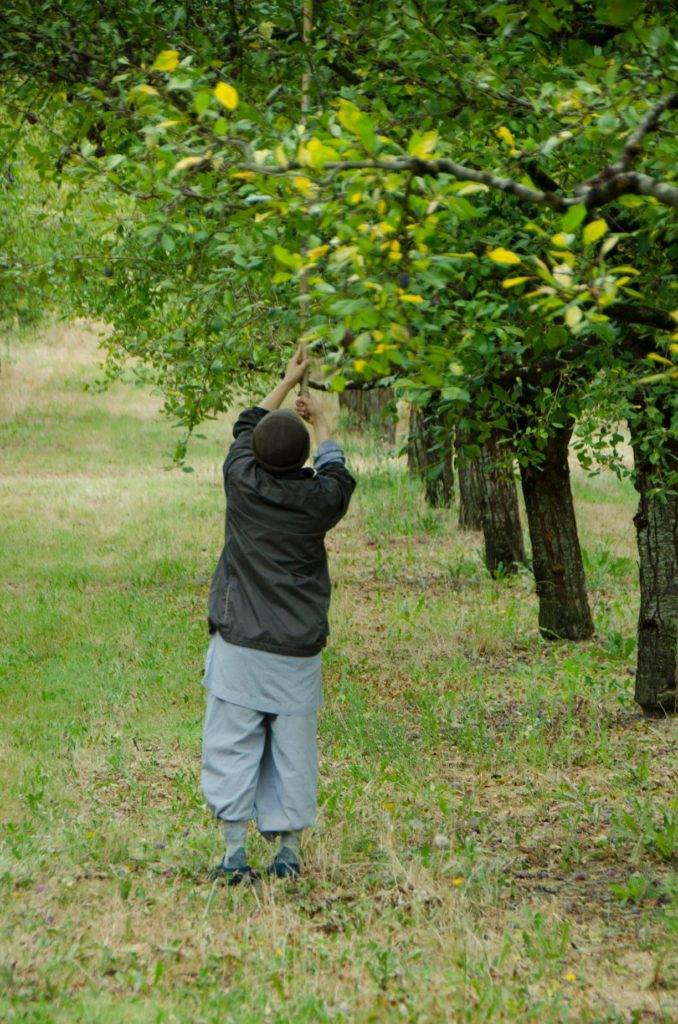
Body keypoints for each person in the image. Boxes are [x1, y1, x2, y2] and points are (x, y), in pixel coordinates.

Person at [201, 348, 356, 883]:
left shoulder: (241, 480)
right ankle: (288, 854)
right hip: (296, 650)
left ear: (257, 454)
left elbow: (246, 425)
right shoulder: (320, 501)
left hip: (240, 645)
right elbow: (336, 472)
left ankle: (233, 855)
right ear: (301, 461)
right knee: (293, 752)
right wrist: (324, 424)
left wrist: (287, 383)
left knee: (231, 744)